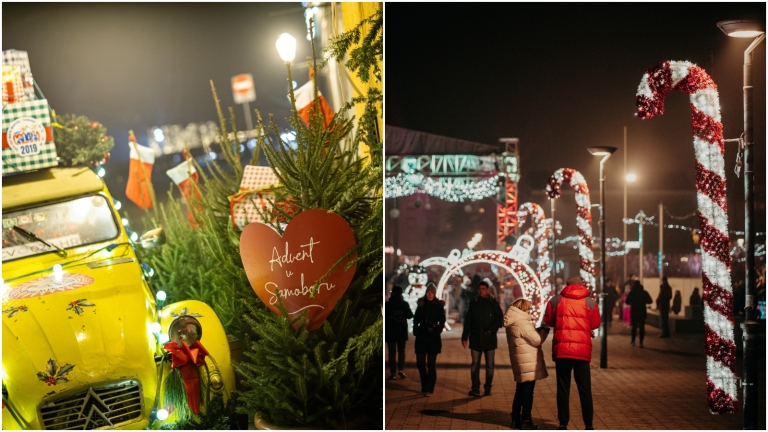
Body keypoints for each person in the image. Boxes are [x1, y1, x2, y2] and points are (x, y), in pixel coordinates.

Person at [542, 275, 601, 430]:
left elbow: (547, 320)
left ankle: (563, 423)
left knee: (563, 387)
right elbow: (595, 323)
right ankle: (588, 425)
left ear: (567, 285)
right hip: (581, 350)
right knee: (585, 389)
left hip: (562, 349)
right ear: (581, 285)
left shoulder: (556, 300)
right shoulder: (590, 301)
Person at [505, 298, 549, 430]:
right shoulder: (522, 323)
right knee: (527, 392)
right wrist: (544, 331)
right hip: (527, 362)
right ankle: (526, 419)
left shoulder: (512, 321)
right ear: (523, 308)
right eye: (528, 308)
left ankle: (515, 418)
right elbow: (536, 340)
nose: (530, 310)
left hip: (520, 361)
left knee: (520, 390)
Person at [462, 280, 504, 397]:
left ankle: (488, 387)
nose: (481, 291)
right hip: (475, 338)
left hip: (489, 338)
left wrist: (492, 329)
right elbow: (468, 321)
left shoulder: (493, 303)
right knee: (475, 363)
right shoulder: (474, 303)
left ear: (487, 290)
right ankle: (475, 387)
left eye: (483, 289)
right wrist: (465, 337)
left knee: (489, 365)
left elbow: (500, 319)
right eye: (479, 289)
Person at [413, 284, 446, 397]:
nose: (429, 294)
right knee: (420, 363)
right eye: (428, 292)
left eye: (431, 292)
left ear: (434, 293)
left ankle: (429, 388)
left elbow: (442, 321)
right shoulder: (421, 305)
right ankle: (425, 383)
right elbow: (416, 318)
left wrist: (437, 330)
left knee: (431, 364)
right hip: (422, 336)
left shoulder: (438, 305)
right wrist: (416, 330)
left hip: (433, 337)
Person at [385, 285, 413, 380]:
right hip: (401, 330)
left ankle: (393, 373)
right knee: (401, 350)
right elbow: (410, 315)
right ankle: (401, 369)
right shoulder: (404, 304)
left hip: (390, 331)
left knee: (391, 352)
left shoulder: (387, 304)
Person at [625, 280, 653, 347]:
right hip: (642, 311)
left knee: (634, 327)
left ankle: (633, 341)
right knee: (642, 327)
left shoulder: (632, 293)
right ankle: (641, 342)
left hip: (634, 311)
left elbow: (627, 302)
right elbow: (650, 301)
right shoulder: (644, 292)